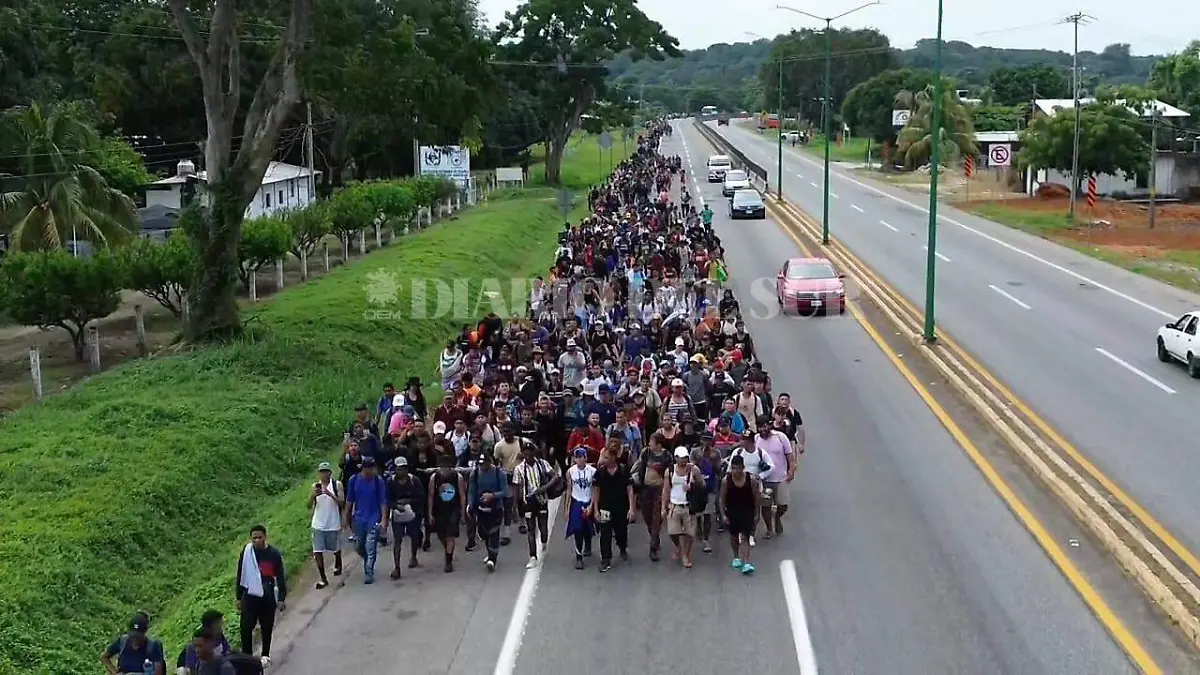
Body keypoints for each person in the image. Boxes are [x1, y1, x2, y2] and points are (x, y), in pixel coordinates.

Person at [235, 525, 286, 666]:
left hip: (267, 593)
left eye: (259, 537)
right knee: (246, 627)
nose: (257, 540)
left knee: (267, 626)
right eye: (254, 538)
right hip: (250, 594)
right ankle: (247, 656)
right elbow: (241, 574)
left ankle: (265, 654)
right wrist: (239, 597)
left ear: (265, 537)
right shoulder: (247, 553)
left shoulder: (273, 554)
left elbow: (280, 576)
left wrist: (281, 598)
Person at [513, 443, 562, 569]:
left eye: (530, 452)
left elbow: (556, 476)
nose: (528, 455)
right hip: (528, 501)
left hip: (541, 500)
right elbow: (517, 488)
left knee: (543, 528)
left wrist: (544, 488)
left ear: (534, 453)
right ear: (523, 454)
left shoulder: (542, 464)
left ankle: (544, 541)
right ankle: (533, 556)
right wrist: (516, 507)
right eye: (526, 452)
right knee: (531, 529)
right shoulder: (519, 469)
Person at [345, 456, 389, 584]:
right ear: (363, 468)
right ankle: (367, 561)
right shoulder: (354, 480)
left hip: (374, 518)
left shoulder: (378, 481)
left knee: (370, 546)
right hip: (359, 518)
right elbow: (349, 500)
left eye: (372, 468)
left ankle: (368, 571)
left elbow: (383, 502)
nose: (371, 471)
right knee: (359, 546)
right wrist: (345, 518)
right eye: (368, 468)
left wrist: (384, 520)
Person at [591, 448, 636, 572]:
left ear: (613, 457)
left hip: (621, 507)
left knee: (621, 531)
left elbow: (630, 489)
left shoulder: (623, 470)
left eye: (606, 457)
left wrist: (632, 508)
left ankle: (622, 547)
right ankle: (606, 559)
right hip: (605, 507)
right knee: (605, 534)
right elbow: (596, 491)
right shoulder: (600, 473)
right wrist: (595, 509)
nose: (603, 460)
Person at [661, 446, 703, 568]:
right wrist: (663, 507)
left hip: (689, 505)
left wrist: (693, 485)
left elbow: (702, 484)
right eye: (680, 458)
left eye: (685, 458)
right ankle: (679, 547)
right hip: (674, 504)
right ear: (675, 458)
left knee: (690, 533)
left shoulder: (693, 470)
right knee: (672, 531)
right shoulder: (670, 471)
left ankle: (685, 555)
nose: (683, 461)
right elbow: (666, 489)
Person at [469, 450, 510, 571]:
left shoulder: (499, 473)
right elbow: (471, 490)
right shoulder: (475, 473)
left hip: (496, 508)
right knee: (484, 533)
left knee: (494, 533)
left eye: (484, 463)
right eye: (480, 464)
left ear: (490, 462)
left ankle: (493, 558)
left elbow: (505, 491)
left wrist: (493, 495)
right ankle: (489, 552)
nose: (482, 466)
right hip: (481, 509)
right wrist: (470, 504)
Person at [720, 454, 761, 575]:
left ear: (743, 467)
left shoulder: (751, 480)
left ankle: (746, 562)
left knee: (745, 537)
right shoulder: (726, 481)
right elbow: (721, 499)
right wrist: (723, 514)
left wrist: (756, 514)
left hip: (747, 511)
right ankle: (736, 556)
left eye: (737, 468)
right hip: (732, 511)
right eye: (733, 468)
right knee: (733, 536)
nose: (735, 471)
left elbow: (756, 497)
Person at [427, 451, 468, 573]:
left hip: (453, 509)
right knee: (441, 535)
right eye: (443, 467)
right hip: (439, 509)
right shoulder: (434, 478)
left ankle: (448, 562)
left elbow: (462, 495)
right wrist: (429, 513)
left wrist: (462, 511)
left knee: (450, 535)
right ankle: (448, 551)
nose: (445, 469)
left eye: (447, 467)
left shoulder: (457, 477)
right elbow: (430, 495)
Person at [754, 418, 795, 538]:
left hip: (781, 477)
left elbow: (790, 456)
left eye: (765, 426)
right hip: (764, 479)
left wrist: (791, 471)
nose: (763, 429)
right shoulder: (756, 439)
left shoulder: (780, 437)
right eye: (760, 427)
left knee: (783, 505)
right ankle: (769, 529)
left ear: (770, 425)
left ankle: (777, 518)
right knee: (765, 506)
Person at [387, 456, 426, 577]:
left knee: (414, 536)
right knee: (397, 539)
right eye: (399, 469)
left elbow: (422, 497)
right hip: (397, 514)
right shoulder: (390, 482)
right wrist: (395, 505)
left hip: (413, 513)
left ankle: (413, 557)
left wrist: (409, 502)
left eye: (403, 468)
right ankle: (397, 567)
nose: (401, 471)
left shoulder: (414, 481)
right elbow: (387, 499)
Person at [308, 461, 344, 589]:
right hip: (318, 524)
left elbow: (341, 503)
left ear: (330, 472)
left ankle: (338, 563)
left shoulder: (337, 485)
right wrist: (313, 495)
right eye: (321, 472)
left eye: (326, 471)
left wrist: (329, 494)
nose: (324, 474)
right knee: (318, 551)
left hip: (333, 523)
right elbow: (308, 506)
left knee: (335, 548)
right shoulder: (315, 486)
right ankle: (323, 578)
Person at [564, 447, 597, 569]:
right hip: (576, 501)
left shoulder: (592, 471)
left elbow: (595, 489)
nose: (579, 460)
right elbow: (569, 489)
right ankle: (579, 556)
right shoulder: (570, 472)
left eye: (581, 457)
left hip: (588, 500)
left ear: (585, 458)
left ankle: (587, 545)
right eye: (576, 457)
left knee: (587, 527)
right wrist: (567, 508)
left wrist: (593, 505)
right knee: (577, 529)